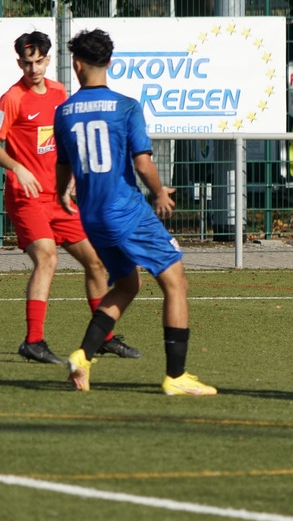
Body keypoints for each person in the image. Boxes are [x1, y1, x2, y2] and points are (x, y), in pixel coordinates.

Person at [55, 29, 215, 396]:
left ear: (77, 65)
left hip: (92, 216)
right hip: (126, 211)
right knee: (176, 282)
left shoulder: (64, 112)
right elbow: (142, 163)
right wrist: (159, 193)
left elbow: (63, 165)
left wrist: (61, 192)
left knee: (128, 285)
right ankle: (176, 377)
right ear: (110, 63)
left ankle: (83, 356)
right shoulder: (126, 106)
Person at [0, 31, 140, 364]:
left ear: (48, 60)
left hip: (58, 197)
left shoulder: (58, 93)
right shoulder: (12, 98)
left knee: (96, 262)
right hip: (26, 197)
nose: (34, 69)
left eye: (39, 61)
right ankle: (33, 341)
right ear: (19, 63)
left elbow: (65, 142)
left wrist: (71, 181)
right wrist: (17, 167)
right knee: (47, 258)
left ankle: (104, 338)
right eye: (27, 63)